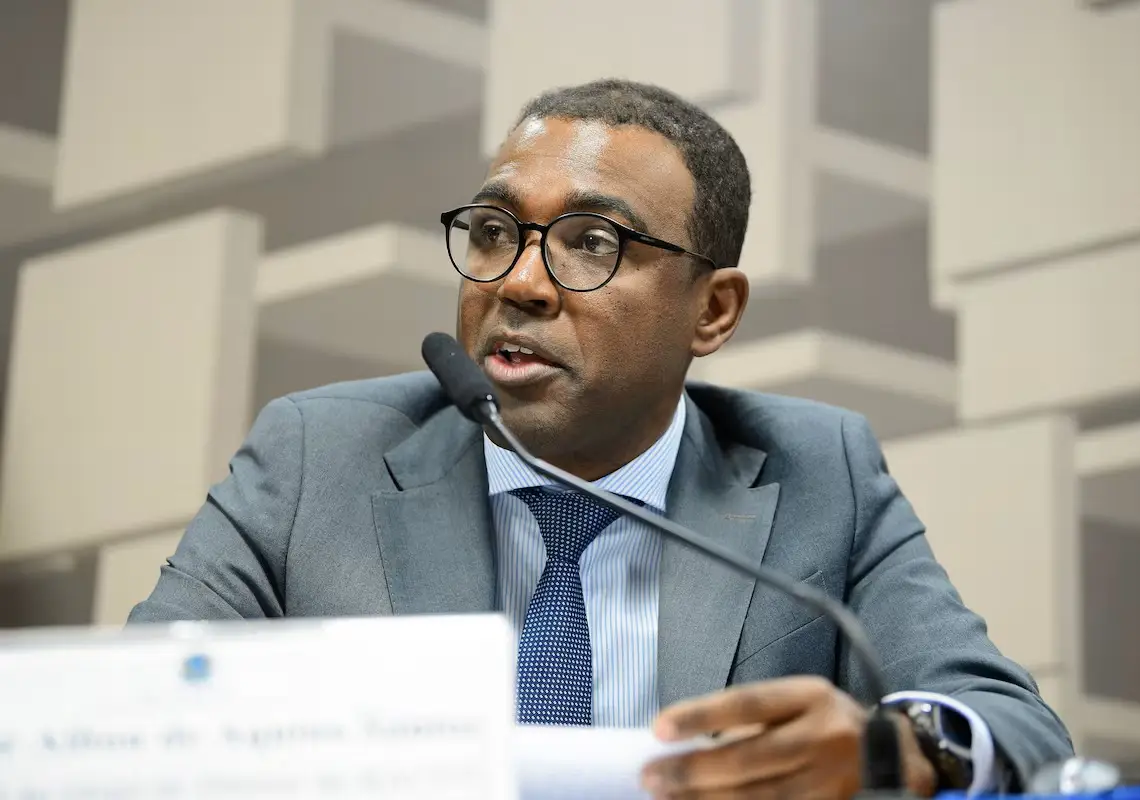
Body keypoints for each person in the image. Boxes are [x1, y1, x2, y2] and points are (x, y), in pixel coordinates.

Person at [131, 79, 1072, 797]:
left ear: (713, 310)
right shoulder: (315, 457)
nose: (519, 283)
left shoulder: (820, 471)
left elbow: (1018, 731)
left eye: (592, 243)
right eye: (493, 231)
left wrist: (899, 750)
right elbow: (130, 722)